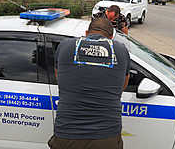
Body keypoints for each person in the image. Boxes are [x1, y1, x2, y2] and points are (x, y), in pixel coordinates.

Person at [48, 18, 130, 149]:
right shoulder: (120, 50)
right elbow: (123, 85)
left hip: (67, 135)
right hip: (106, 136)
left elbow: (60, 78)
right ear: (111, 37)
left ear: (87, 33)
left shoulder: (65, 46)